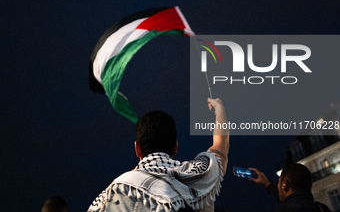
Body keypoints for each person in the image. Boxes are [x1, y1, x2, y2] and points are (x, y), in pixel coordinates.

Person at [88, 98, 229, 212]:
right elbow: (221, 148)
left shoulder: (112, 192)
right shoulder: (197, 174)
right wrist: (220, 110)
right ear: (175, 147)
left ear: (137, 149)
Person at [249, 163, 332, 212]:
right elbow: (293, 199)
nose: (278, 187)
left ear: (284, 184)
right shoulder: (322, 208)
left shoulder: (286, 210)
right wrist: (267, 184)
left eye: (279, 183)